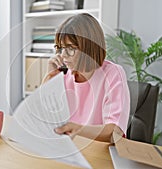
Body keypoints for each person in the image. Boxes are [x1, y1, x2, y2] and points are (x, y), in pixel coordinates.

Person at [42, 13, 130, 143]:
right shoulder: (64, 74)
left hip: (99, 152)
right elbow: (45, 120)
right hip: (69, 149)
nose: (63, 55)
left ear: (88, 48)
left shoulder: (113, 74)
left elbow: (115, 131)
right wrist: (50, 79)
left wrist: (79, 130)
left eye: (70, 48)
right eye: (60, 48)